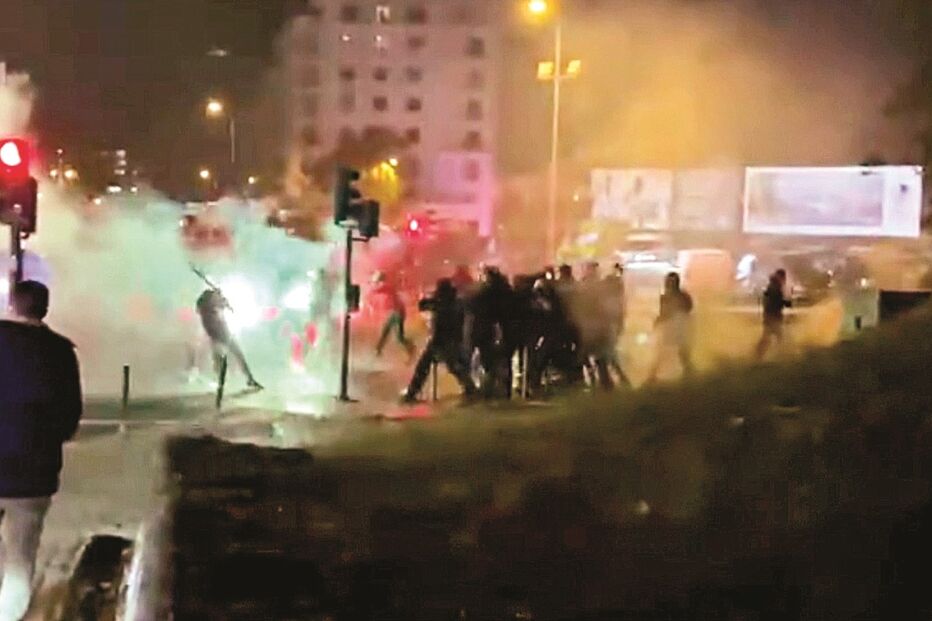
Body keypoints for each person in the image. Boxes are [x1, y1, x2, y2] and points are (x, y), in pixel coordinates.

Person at [0, 281, 82, 620]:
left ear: (11, 304)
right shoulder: (60, 352)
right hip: (33, 473)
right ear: (45, 308)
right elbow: (70, 417)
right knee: (20, 557)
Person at [402, 278, 477, 403]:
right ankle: (470, 389)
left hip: (440, 341)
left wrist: (430, 297)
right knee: (454, 366)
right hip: (453, 340)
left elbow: (423, 305)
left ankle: (411, 393)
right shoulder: (456, 303)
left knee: (424, 367)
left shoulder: (441, 304)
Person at [195, 288, 263, 390]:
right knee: (220, 360)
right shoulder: (205, 308)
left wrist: (221, 298)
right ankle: (221, 383)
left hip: (224, 334)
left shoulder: (213, 306)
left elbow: (225, 305)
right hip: (216, 336)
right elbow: (205, 307)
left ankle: (249, 378)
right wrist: (218, 297)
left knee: (237, 356)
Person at [647, 272, 694, 382]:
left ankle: (689, 374)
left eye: (671, 282)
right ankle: (652, 376)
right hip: (671, 327)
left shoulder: (681, 296)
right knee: (663, 352)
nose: (668, 284)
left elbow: (687, 309)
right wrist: (659, 321)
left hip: (678, 327)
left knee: (681, 353)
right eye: (668, 282)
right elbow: (664, 312)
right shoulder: (667, 297)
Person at [372, 272, 415, 359]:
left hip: (398, 312)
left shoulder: (386, 285)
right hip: (393, 312)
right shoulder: (386, 286)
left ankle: (410, 348)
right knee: (385, 330)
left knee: (398, 336)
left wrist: (374, 282)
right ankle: (377, 350)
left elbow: (377, 290)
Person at [755, 268, 792, 360]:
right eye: (784, 277)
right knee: (774, 336)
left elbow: (770, 301)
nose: (785, 279)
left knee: (770, 336)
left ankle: (759, 354)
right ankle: (760, 354)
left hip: (770, 315)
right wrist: (786, 303)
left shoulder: (773, 286)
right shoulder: (775, 287)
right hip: (773, 316)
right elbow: (776, 302)